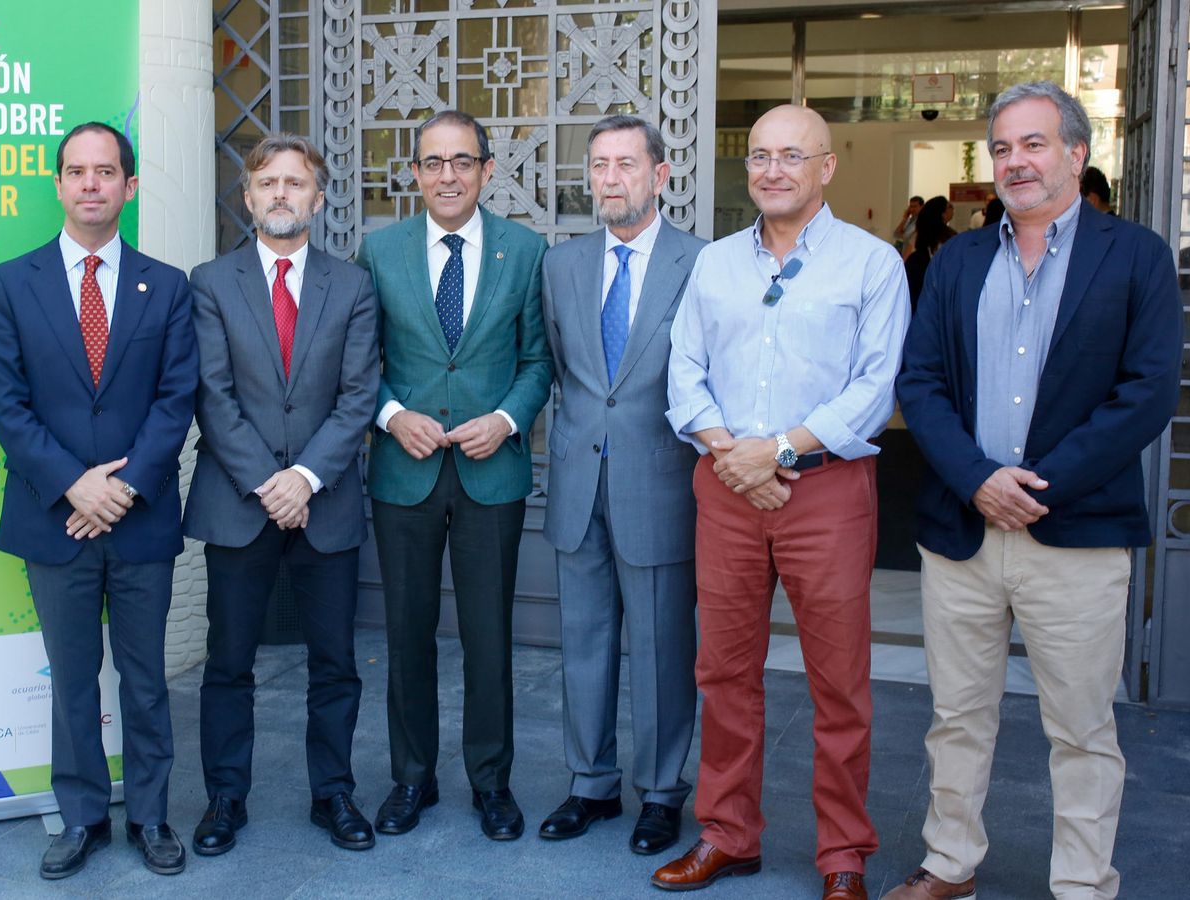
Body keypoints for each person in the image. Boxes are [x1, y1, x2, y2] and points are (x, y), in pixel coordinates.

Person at [890, 81, 1181, 900]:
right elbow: (922, 381)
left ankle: (1084, 885)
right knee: (956, 719)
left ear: (1076, 153)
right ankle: (950, 865)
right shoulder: (957, 260)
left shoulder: (1136, 256)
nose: (1016, 161)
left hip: (1077, 534)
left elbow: (1149, 392)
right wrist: (980, 480)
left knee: (1083, 730)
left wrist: (1037, 486)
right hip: (964, 532)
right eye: (1004, 147)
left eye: (1034, 144)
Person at [652, 104, 910, 900]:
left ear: (825, 167)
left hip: (826, 489)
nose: (771, 170)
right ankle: (728, 835)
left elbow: (876, 388)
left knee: (839, 681)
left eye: (790, 156)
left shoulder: (872, 265)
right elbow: (683, 370)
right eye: (760, 155)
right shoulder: (716, 264)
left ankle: (843, 855)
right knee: (723, 671)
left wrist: (782, 451)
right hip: (726, 483)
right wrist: (736, 457)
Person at [0, 122, 198, 880]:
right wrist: (76, 484)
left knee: (144, 677)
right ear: (59, 184)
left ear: (129, 187)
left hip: (140, 519)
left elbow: (176, 401)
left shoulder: (167, 285)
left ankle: (149, 815)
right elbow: (6, 404)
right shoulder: (13, 282)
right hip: (55, 519)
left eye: (107, 172)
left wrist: (124, 486)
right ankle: (78, 817)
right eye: (77, 172)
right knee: (71, 677)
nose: (92, 185)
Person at [354, 109, 553, 842]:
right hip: (403, 473)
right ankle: (412, 779)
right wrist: (390, 414)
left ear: (487, 170)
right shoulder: (380, 252)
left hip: (489, 472)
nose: (447, 175)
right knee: (405, 633)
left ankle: (491, 783)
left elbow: (539, 362)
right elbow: (356, 364)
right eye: (433, 162)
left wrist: (505, 421)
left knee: (487, 635)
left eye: (462, 161)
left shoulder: (524, 251)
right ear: (413, 172)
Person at [183, 134, 380, 856]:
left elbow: (358, 397)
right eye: (267, 183)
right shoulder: (210, 282)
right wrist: (270, 482)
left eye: (296, 183)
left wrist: (306, 479)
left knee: (335, 664)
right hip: (239, 502)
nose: (280, 194)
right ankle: (225, 799)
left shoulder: (352, 285)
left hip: (324, 504)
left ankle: (333, 794)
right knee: (229, 663)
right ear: (247, 196)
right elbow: (212, 393)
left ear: (318, 198)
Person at [535, 115, 706, 856]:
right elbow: (558, 370)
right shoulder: (561, 266)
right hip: (577, 482)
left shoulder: (703, 263)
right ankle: (592, 785)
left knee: (663, 649)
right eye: (599, 165)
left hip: (661, 483)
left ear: (661, 175)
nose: (610, 178)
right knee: (583, 640)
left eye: (626, 164)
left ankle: (663, 793)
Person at [905, 196, 957, 309]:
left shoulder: (920, 235)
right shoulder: (950, 238)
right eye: (950, 207)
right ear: (942, 213)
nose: (953, 210)